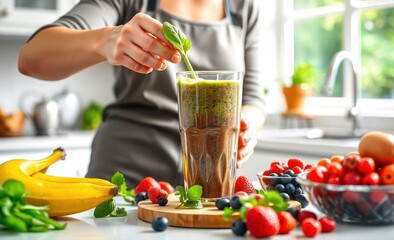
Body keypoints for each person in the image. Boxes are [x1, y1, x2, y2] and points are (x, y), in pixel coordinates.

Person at [18, 0, 266, 188]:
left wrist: (245, 125)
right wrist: (105, 39)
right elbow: (31, 58)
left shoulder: (244, 8)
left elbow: (253, 97)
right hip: (124, 179)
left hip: (207, 186)